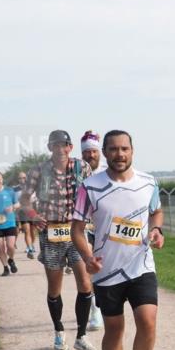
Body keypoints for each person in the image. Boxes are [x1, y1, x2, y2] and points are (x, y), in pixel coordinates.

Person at [71, 130, 164, 350]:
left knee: (147, 321)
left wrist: (157, 230)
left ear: (132, 151)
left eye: (124, 149)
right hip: (106, 271)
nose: (119, 154)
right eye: (113, 149)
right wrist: (88, 257)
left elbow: (156, 212)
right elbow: (77, 230)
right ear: (105, 153)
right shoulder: (90, 187)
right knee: (114, 329)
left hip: (140, 265)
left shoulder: (148, 182)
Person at [21, 130, 97, 350]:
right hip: (51, 233)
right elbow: (24, 199)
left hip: (77, 232)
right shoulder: (38, 171)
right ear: (50, 148)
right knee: (55, 289)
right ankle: (59, 330)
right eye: (55, 145)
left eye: (64, 144)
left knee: (85, 284)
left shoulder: (82, 167)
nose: (60, 149)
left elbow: (94, 194)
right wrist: (33, 215)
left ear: (70, 147)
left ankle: (81, 336)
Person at [78, 131, 105, 332]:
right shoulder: (76, 173)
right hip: (85, 228)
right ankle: (95, 311)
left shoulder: (108, 171)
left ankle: (107, 305)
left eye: (94, 151)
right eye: (87, 152)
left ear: (99, 152)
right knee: (89, 267)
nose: (91, 155)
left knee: (106, 269)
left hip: (106, 228)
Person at [13, 171, 38, 259]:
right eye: (20, 178)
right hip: (22, 212)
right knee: (26, 230)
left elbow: (35, 199)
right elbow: (14, 201)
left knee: (33, 231)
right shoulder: (15, 189)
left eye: (24, 178)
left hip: (32, 211)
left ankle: (32, 244)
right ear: (18, 179)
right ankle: (30, 249)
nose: (22, 179)